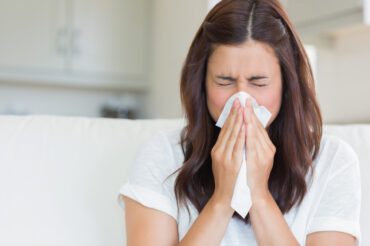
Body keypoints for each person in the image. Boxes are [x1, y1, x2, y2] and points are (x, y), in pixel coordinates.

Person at [117, 0, 362, 245]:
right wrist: (222, 200)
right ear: (201, 84)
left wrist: (259, 195)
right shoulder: (162, 155)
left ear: (287, 85)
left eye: (258, 83)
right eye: (224, 81)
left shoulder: (333, 161)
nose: (241, 100)